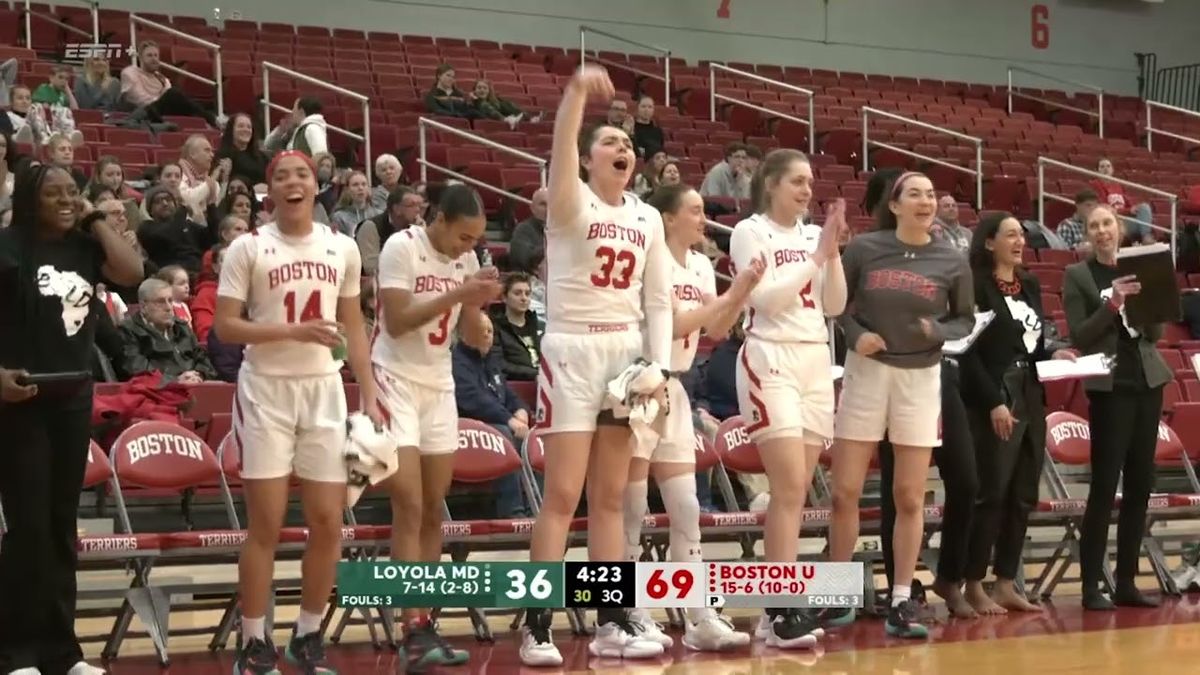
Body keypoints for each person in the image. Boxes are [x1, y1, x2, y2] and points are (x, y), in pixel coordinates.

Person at [520, 65, 673, 667]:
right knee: (562, 495)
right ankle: (537, 623)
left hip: (624, 358)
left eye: (628, 145)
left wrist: (657, 367)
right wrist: (576, 95)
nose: (623, 148)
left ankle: (610, 620)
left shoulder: (647, 217)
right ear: (586, 161)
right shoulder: (570, 200)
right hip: (570, 352)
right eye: (609, 142)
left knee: (609, 498)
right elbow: (561, 148)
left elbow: (657, 299)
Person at [214, 150, 378, 673]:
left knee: (329, 521)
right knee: (266, 523)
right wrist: (293, 331)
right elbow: (225, 327)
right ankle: (254, 642)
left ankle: (307, 638)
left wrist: (369, 393)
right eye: (281, 176)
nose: (292, 182)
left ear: (315, 185)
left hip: (324, 390)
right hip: (265, 389)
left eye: (302, 175)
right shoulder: (248, 247)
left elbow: (353, 325)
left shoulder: (342, 248)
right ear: (270, 191)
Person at [0, 164, 142, 675]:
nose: (65, 200)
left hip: (71, 399)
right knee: (29, 528)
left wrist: (96, 216)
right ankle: (15, 652)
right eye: (54, 193)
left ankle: (62, 653)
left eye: (72, 192)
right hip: (19, 402)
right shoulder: (7, 246)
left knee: (62, 527)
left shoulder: (85, 248)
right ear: (30, 199)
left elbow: (132, 274)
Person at [830, 171, 974, 639]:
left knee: (910, 496)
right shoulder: (865, 250)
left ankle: (900, 600)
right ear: (894, 205)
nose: (926, 201)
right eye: (915, 194)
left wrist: (942, 333)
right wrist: (856, 335)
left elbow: (964, 319)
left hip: (921, 378)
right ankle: (836, 594)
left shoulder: (952, 260)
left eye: (931, 194)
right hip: (867, 372)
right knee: (844, 491)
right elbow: (838, 306)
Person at [622, 182, 763, 651]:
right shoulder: (650, 260)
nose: (704, 220)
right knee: (633, 510)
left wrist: (739, 293)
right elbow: (673, 325)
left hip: (677, 390)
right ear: (667, 218)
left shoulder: (701, 264)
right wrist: (730, 294)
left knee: (685, 509)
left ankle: (699, 615)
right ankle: (630, 611)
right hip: (640, 385)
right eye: (695, 211)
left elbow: (716, 329)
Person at [373, 183, 500, 669]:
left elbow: (469, 334)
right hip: (394, 378)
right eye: (463, 237)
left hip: (438, 383)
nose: (468, 247)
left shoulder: (464, 263)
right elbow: (400, 320)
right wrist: (460, 292)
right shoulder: (400, 247)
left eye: (475, 240)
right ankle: (409, 628)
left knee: (431, 509)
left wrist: (478, 311)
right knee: (407, 503)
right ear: (439, 219)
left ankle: (423, 623)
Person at [730, 150, 846, 647]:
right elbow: (764, 299)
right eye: (797, 181)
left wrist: (833, 253)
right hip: (770, 356)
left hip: (815, 358)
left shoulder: (811, 236)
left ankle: (773, 613)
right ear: (771, 184)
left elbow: (836, 305)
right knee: (789, 484)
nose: (806, 190)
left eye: (811, 182)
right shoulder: (749, 231)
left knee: (797, 492)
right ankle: (779, 607)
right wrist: (818, 257)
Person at [958, 212, 1077, 615]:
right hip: (994, 393)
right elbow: (968, 352)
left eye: (1021, 235)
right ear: (989, 242)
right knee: (992, 492)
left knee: (1023, 492)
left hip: (1030, 390)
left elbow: (1031, 341)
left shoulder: (1027, 283)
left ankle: (1006, 581)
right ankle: (972, 582)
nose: (1019, 240)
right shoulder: (975, 284)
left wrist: (1053, 352)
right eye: (1010, 234)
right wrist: (992, 401)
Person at [1062, 204, 1173, 611]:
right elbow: (1081, 334)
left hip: (1147, 381)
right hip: (1109, 386)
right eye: (1094, 226)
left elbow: (1157, 331)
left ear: (1120, 228)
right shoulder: (1078, 275)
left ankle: (1126, 581)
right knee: (1105, 487)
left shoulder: (1139, 266)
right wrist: (1112, 304)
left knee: (1141, 486)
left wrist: (1152, 297)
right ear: (1087, 234)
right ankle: (1092, 584)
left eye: (1108, 223)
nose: (1103, 231)